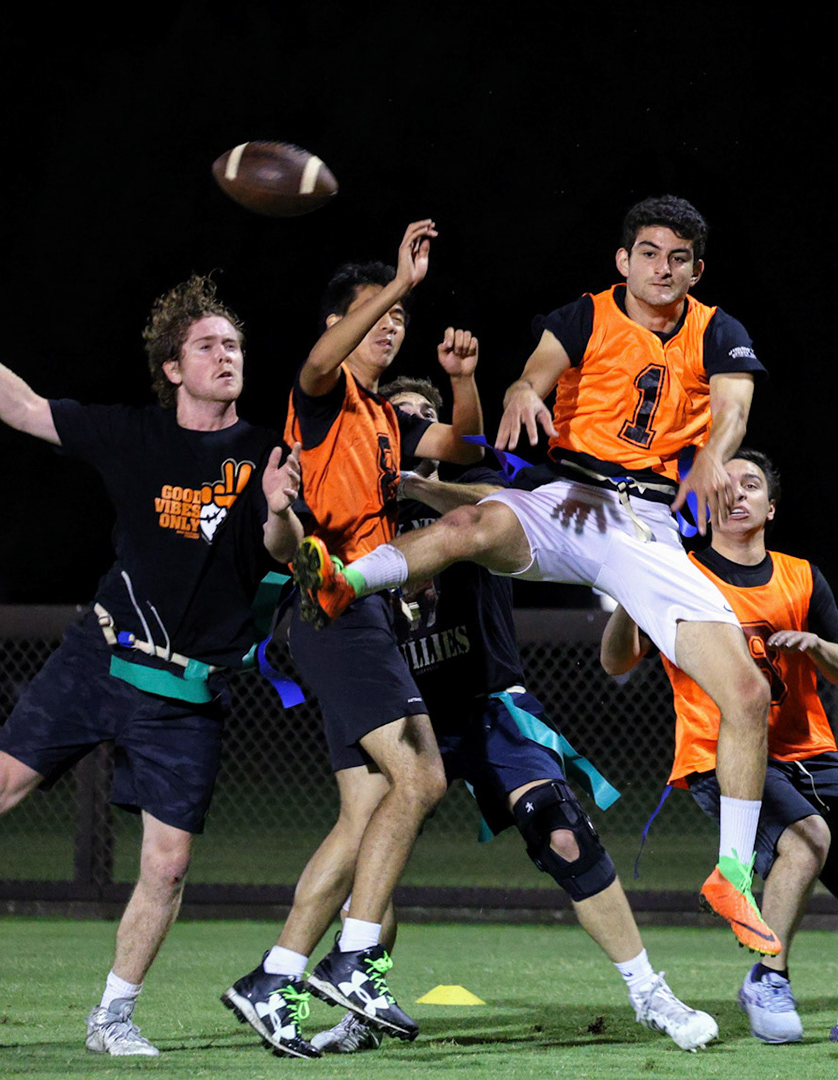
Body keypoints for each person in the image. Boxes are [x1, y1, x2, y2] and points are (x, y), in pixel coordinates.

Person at [0, 277, 304, 1058]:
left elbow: (278, 556)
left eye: (233, 345)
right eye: (207, 345)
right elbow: (23, 409)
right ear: (173, 367)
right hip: (101, 657)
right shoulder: (134, 435)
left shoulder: (266, 450)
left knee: (168, 868)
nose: (225, 356)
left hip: (185, 691)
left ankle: (111, 1016)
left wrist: (278, 508)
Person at [291, 195, 783, 955]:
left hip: (644, 526)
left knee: (748, 695)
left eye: (678, 258)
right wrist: (522, 388)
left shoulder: (719, 331)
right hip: (571, 498)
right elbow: (539, 371)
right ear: (624, 261)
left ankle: (731, 874)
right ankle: (346, 582)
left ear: (697, 269)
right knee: (471, 522)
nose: (662, 269)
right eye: (649, 253)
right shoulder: (587, 314)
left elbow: (734, 409)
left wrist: (716, 451)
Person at [304, 377, 720, 1055]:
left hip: (490, 703)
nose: (411, 429)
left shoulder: (479, 492)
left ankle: (651, 992)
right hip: (407, 715)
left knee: (561, 832)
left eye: (423, 418)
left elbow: (498, 505)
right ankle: (358, 1005)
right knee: (369, 857)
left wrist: (424, 477)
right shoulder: (358, 511)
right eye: (398, 419)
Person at [223, 225, 489, 1057]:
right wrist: (398, 284)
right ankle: (358, 957)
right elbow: (314, 359)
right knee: (422, 775)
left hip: (354, 612)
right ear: (344, 321)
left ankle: (274, 978)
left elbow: (469, 448)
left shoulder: (382, 418)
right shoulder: (324, 394)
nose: (391, 325)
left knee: (367, 810)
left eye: (398, 319)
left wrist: (463, 380)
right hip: (331, 605)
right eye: (374, 316)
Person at [599, 448, 838, 1046]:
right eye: (726, 483)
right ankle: (767, 979)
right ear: (706, 501)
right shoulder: (679, 571)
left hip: (807, 752)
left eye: (751, 485)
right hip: (717, 754)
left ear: (770, 508)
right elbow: (616, 662)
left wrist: (817, 648)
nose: (737, 492)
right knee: (807, 840)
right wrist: (628, 589)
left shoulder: (800, 576)